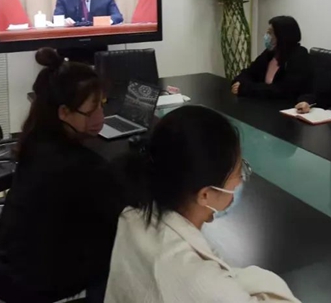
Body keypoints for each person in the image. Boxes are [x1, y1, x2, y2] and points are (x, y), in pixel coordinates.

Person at [105, 105, 300, 303]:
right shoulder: (201, 283)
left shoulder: (132, 216)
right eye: (238, 173)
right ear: (205, 195)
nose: (240, 181)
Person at [0, 48, 124, 303]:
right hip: (34, 293)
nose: (100, 116)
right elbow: (118, 220)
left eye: (102, 105)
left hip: (5, 278)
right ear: (63, 112)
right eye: (91, 110)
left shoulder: (35, 142)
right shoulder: (80, 167)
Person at [231, 16, 312, 100]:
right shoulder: (270, 53)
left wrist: (247, 89)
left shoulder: (299, 56)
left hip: (283, 105)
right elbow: (249, 72)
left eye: (270, 33)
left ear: (281, 36)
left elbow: (282, 90)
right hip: (262, 104)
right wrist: (239, 82)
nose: (266, 36)